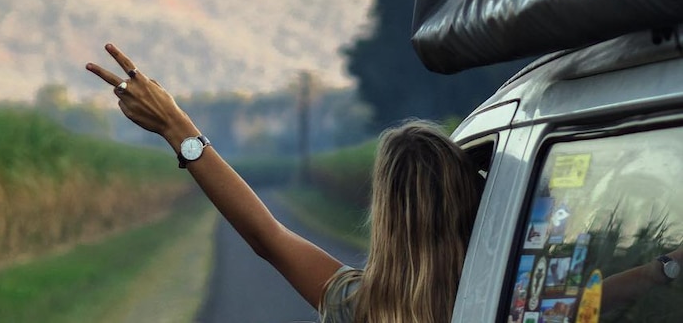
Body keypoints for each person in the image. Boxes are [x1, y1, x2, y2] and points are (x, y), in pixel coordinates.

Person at [86, 43, 483, 323]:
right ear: (471, 203)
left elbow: (267, 238)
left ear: (385, 216)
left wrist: (176, 126)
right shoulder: (510, 295)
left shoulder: (359, 305)